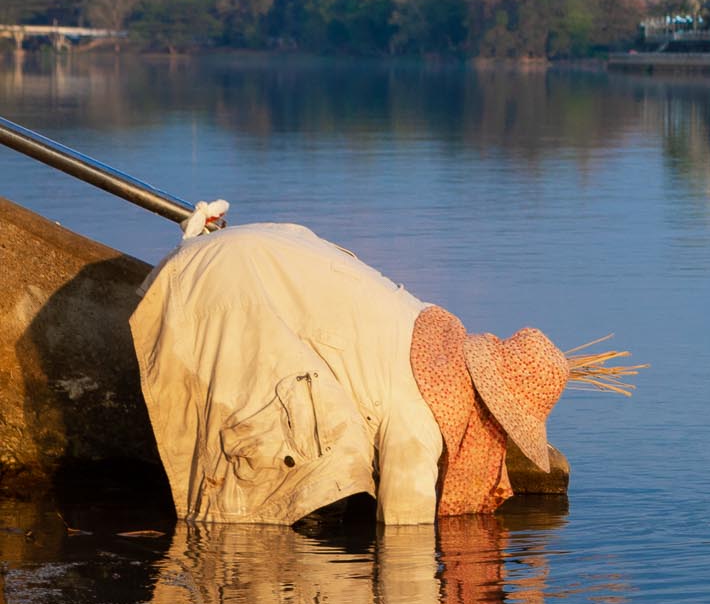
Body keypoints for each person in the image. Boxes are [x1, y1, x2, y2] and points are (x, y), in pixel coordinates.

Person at [131, 221, 617, 525]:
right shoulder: (422, 414)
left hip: (228, 257)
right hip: (220, 292)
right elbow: (405, 525)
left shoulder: (425, 327)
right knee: (279, 481)